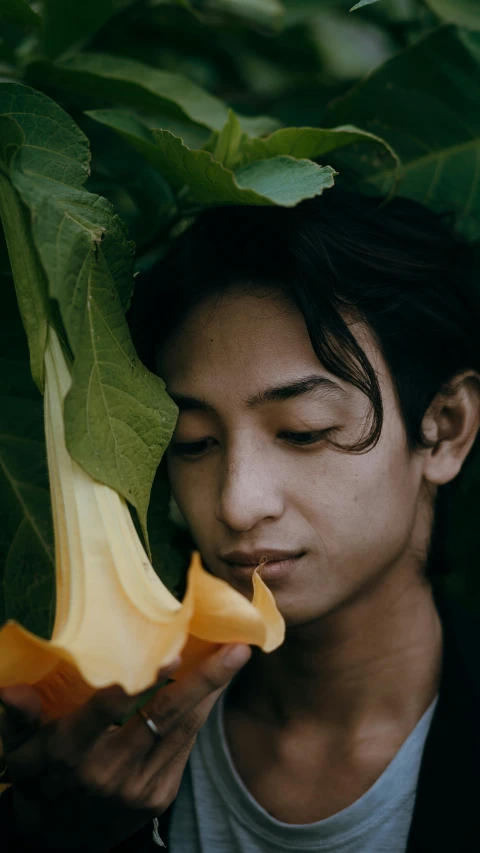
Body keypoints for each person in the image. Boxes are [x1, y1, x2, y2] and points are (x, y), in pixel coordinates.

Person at [1, 186, 480, 852]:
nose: (237, 502)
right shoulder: (86, 746)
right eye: (194, 441)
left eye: (304, 430)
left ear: (445, 427)